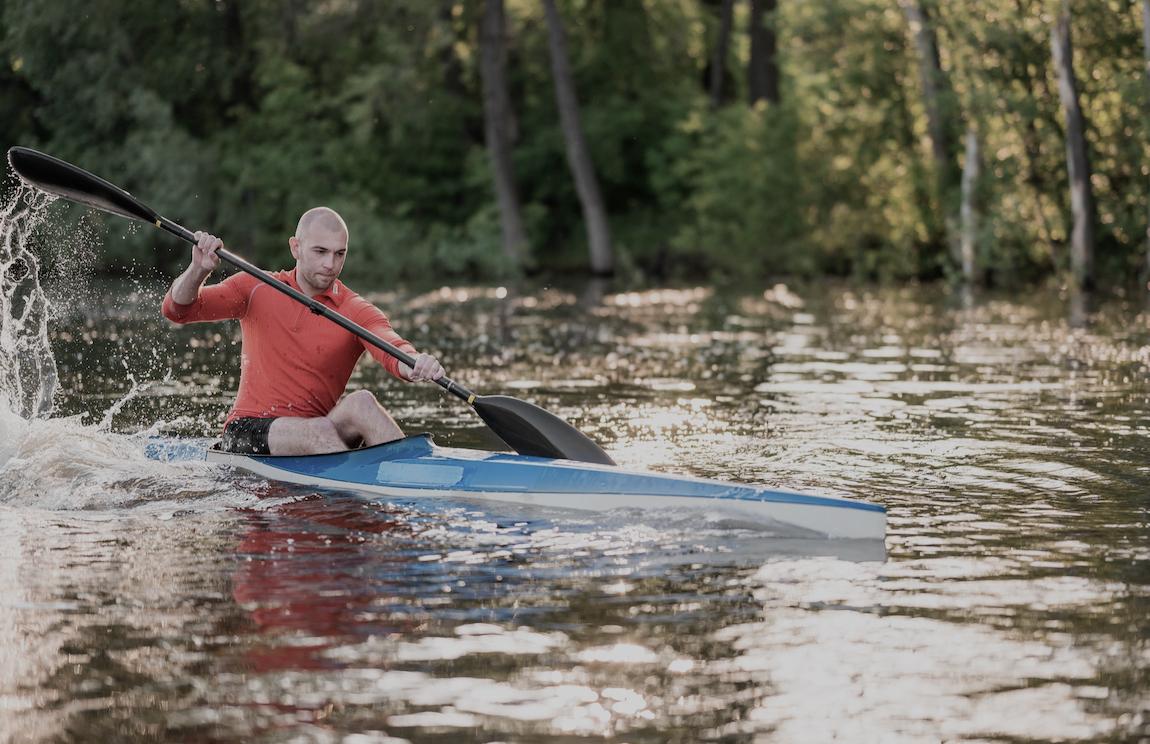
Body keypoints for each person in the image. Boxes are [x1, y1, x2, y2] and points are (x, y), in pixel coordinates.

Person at [161, 207, 444, 456]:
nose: (330, 264)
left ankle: (412, 478)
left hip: (317, 432)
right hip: (247, 430)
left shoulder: (354, 308)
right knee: (318, 430)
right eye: (320, 252)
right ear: (296, 247)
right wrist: (198, 270)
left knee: (363, 403)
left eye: (339, 254)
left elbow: (391, 346)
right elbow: (178, 310)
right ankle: (357, 485)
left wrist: (415, 363)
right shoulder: (255, 287)